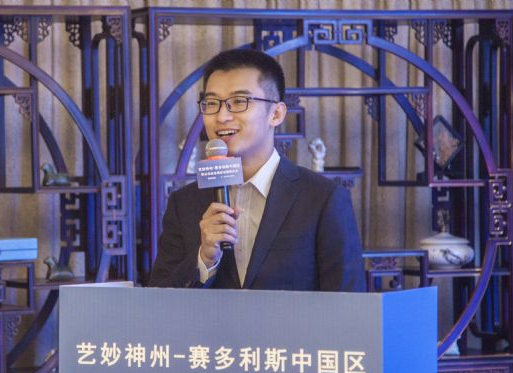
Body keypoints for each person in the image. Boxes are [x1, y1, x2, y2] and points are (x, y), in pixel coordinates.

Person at [148, 49, 365, 292]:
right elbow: (159, 298)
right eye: (212, 103)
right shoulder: (184, 203)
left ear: (276, 113)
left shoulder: (323, 199)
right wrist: (204, 260)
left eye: (239, 102)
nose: (222, 116)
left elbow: (349, 302)